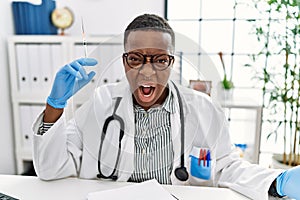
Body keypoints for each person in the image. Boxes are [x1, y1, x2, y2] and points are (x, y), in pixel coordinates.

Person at [32, 14, 300, 200]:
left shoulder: (203, 109)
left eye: (159, 59)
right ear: (125, 62)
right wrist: (54, 105)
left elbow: (226, 167)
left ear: (171, 63)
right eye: (136, 59)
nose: (147, 71)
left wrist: (278, 182)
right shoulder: (100, 104)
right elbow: (51, 170)